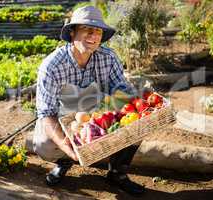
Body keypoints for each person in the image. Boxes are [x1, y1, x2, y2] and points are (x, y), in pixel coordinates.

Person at [29, 6, 145, 196]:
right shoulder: (51, 66)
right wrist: (66, 146)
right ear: (72, 32)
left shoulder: (108, 57)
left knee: (137, 125)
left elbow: (121, 92)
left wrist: (133, 108)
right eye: (87, 29)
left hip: (97, 114)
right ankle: (64, 161)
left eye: (98, 31)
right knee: (43, 144)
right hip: (64, 119)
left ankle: (117, 174)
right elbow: (46, 114)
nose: (94, 35)